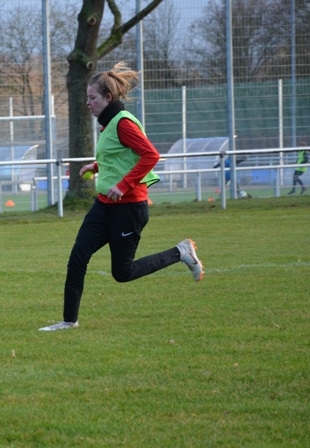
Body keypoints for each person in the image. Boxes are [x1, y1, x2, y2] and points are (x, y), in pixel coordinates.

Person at [39, 62, 204, 332]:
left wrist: (125, 185)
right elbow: (120, 156)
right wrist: (96, 166)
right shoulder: (109, 124)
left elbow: (150, 155)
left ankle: (181, 252)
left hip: (129, 208)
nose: (88, 103)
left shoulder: (123, 123)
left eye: (92, 98)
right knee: (78, 257)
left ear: (108, 98)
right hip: (104, 206)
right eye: (87, 97)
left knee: (122, 273)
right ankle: (68, 321)